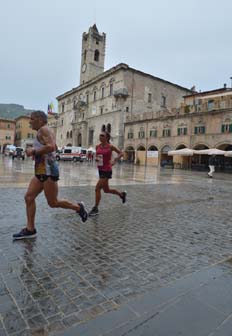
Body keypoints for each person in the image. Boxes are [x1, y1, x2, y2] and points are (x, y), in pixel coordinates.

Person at [13, 111, 88, 240]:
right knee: (29, 197)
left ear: (40, 120)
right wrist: (39, 154)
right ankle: (30, 229)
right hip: (41, 170)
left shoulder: (44, 130)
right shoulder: (44, 131)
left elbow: (52, 147)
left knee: (53, 202)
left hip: (48, 171)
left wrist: (34, 151)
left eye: (32, 119)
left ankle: (78, 207)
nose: (30, 121)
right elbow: (55, 147)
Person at [88, 131, 127, 216]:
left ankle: (95, 208)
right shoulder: (97, 146)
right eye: (100, 135)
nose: (100, 137)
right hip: (100, 169)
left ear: (107, 138)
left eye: (102, 136)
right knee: (106, 190)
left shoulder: (110, 147)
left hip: (107, 170)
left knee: (97, 188)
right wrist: (97, 159)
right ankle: (121, 195)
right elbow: (98, 156)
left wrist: (114, 160)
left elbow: (121, 153)